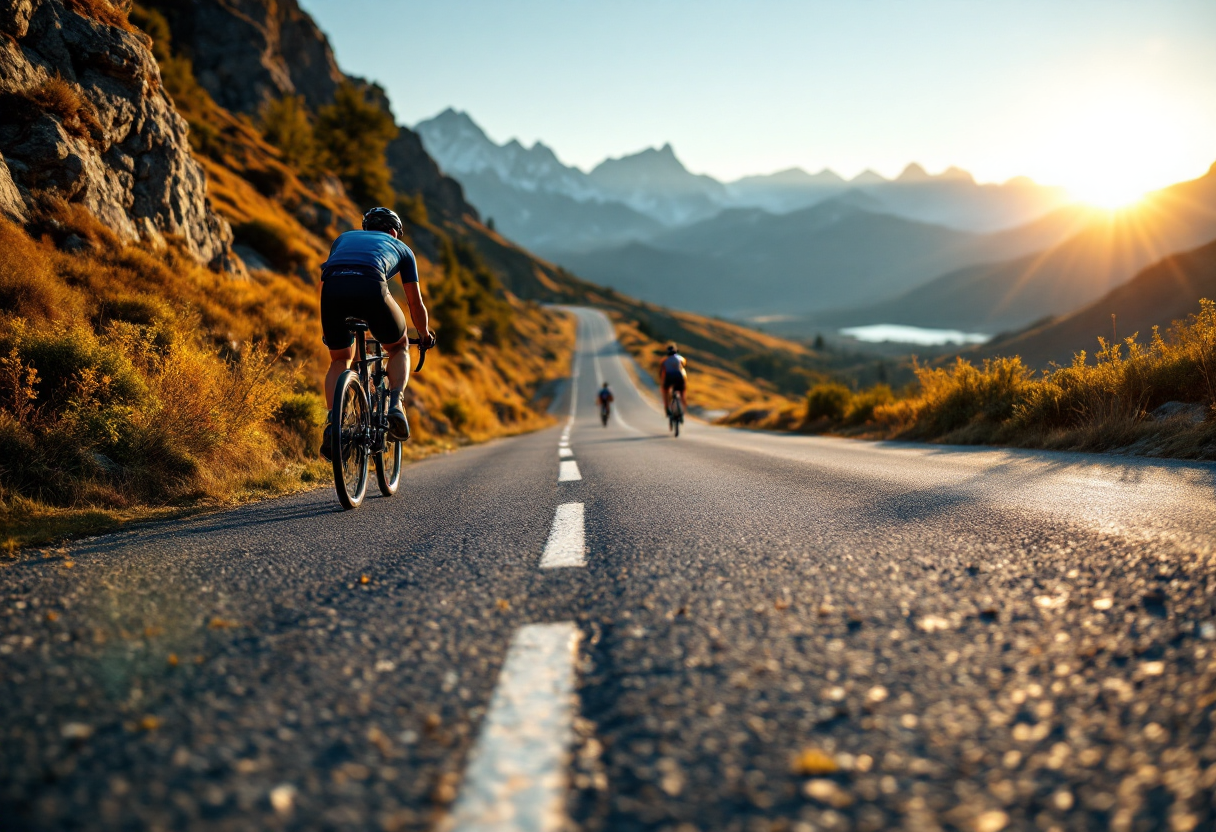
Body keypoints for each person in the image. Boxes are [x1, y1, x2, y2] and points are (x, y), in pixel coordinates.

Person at [318, 207, 436, 460]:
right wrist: (424, 334)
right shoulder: (402, 249)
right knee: (398, 346)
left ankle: (333, 425)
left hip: (332, 293)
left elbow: (325, 279)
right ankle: (395, 405)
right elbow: (414, 302)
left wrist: (330, 325)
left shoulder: (343, 238)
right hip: (372, 287)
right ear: (394, 232)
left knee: (339, 360)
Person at [658, 343, 687, 416]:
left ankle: (667, 408)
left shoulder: (664, 361)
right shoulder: (680, 358)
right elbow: (684, 365)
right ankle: (683, 408)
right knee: (682, 391)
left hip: (669, 377)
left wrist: (662, 381)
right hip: (679, 376)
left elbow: (661, 373)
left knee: (665, 391)